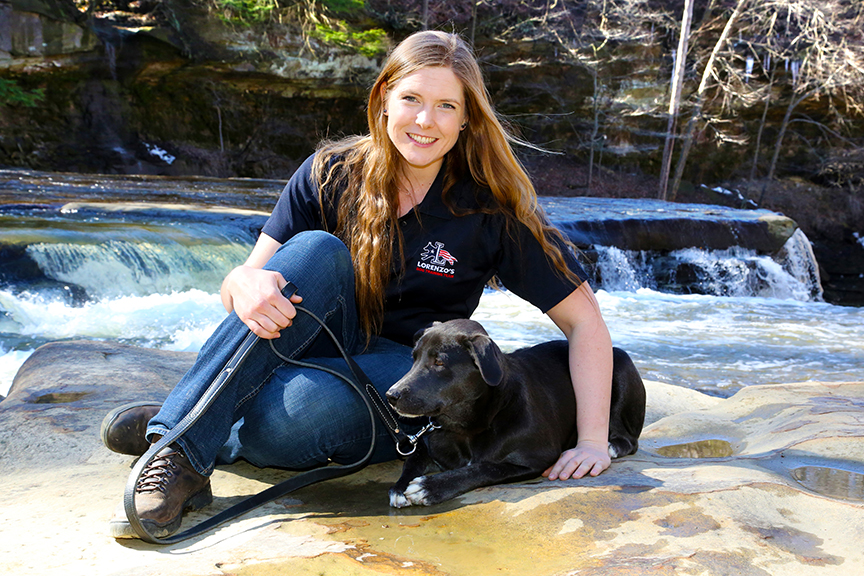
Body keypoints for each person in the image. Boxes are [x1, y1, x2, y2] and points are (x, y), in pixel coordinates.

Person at [102, 29, 614, 539]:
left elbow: (583, 320)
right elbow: (241, 286)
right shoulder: (329, 172)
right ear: (384, 100)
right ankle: (179, 447)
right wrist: (240, 281)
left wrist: (592, 440)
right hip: (306, 341)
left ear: (466, 119)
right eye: (411, 98)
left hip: (403, 367)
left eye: (445, 106)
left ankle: (209, 414)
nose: (424, 120)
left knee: (297, 416)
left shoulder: (490, 206)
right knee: (316, 251)